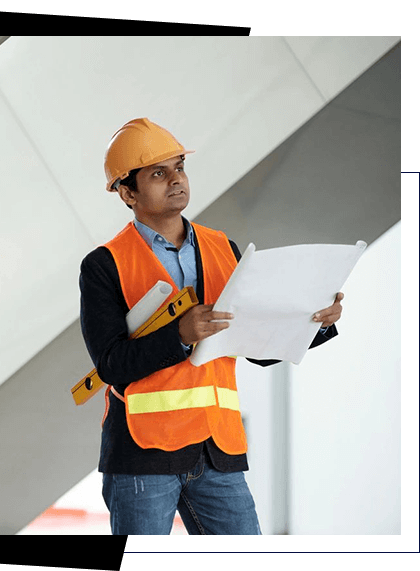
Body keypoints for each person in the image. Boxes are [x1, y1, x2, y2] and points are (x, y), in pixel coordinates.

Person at [78, 118, 344, 535]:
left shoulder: (223, 248)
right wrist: (179, 336)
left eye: (179, 167)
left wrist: (314, 321)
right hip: (143, 454)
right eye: (158, 173)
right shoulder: (104, 264)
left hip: (217, 451)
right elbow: (111, 364)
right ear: (127, 193)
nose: (176, 180)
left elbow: (253, 343)